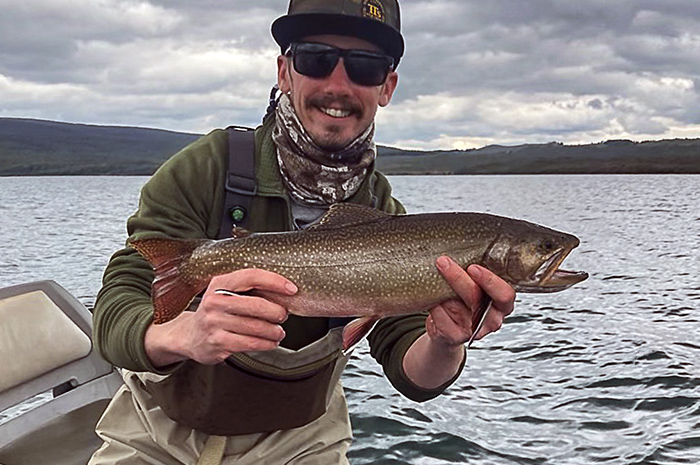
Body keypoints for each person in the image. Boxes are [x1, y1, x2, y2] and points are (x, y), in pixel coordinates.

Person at [89, 1, 516, 464]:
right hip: (158, 430)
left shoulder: (385, 216)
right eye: (315, 58)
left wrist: (446, 342)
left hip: (302, 440)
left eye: (365, 66)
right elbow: (115, 313)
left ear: (387, 86)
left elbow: (412, 372)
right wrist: (184, 333)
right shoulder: (206, 168)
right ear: (284, 71)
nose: (337, 85)